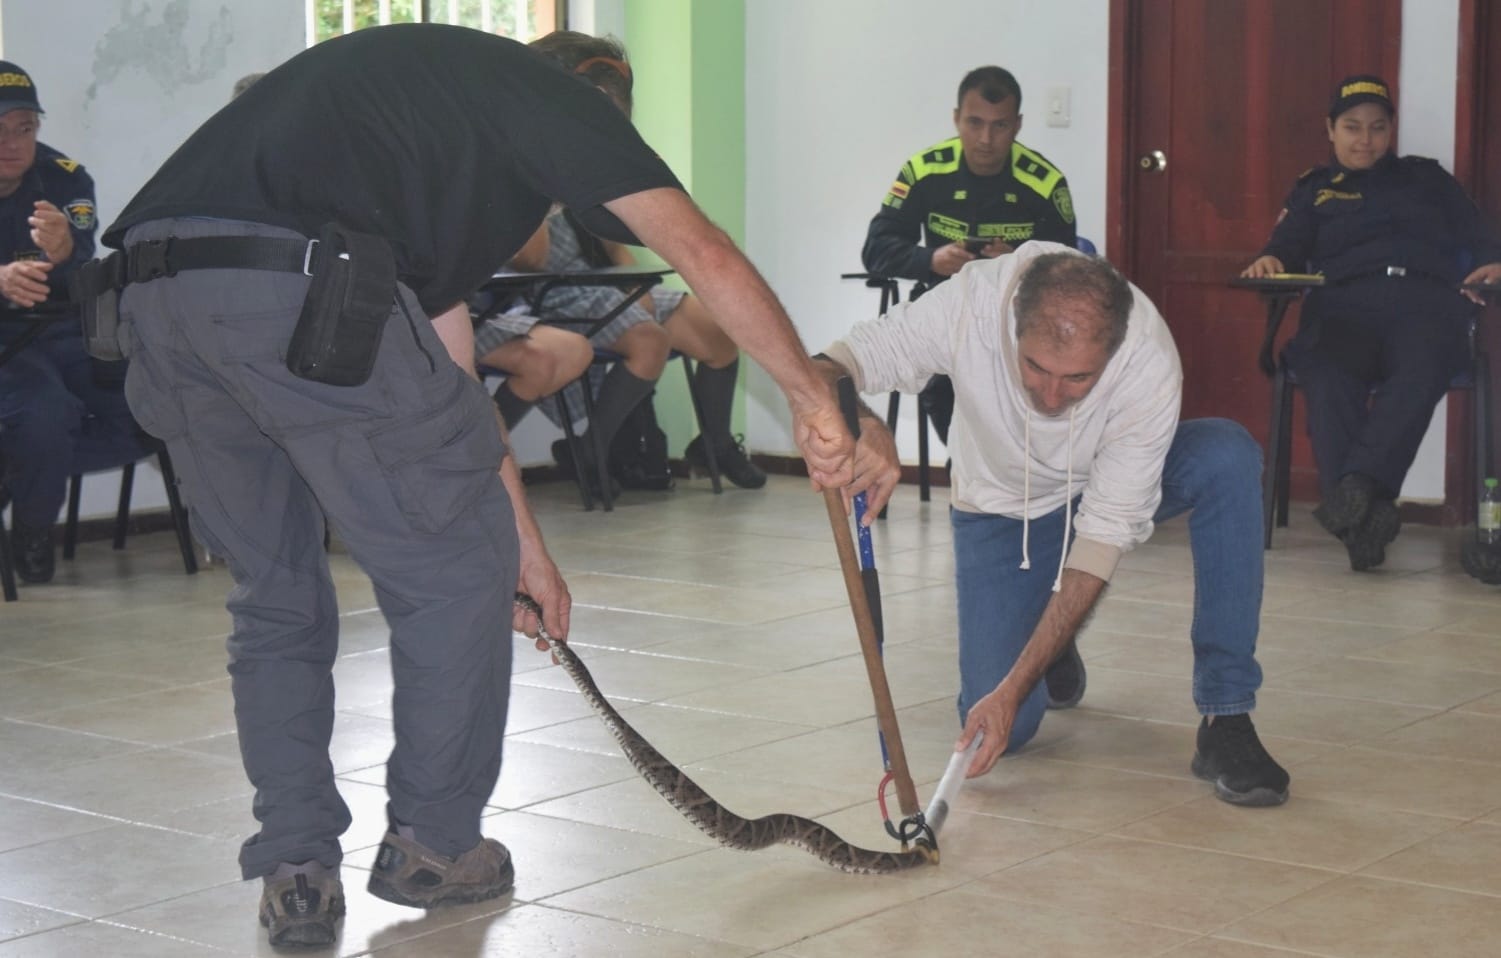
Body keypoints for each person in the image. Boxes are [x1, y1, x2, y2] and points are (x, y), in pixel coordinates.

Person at [95, 24, 851, 949]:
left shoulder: (415, 115)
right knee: (449, 582)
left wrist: (522, 543)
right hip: (299, 283)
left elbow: (448, 382)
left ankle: (295, 871)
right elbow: (704, 252)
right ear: (598, 102)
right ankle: (436, 844)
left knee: (275, 597)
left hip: (154, 297)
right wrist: (812, 397)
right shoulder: (559, 98)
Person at [819, 243, 1289, 809]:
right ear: (1012, 324)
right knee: (1007, 732)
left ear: (1113, 349)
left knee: (1226, 456)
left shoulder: (1146, 356)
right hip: (1002, 509)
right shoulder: (969, 305)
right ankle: (1051, 634)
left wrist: (1014, 686)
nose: (1049, 396)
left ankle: (1227, 714)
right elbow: (827, 366)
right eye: (1035, 367)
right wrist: (863, 422)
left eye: (1078, 378)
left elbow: (1103, 537)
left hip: (1099, 485)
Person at [478, 32, 766, 491]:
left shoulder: (592, 151)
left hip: (604, 283)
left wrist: (635, 288)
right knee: (649, 338)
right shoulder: (517, 151)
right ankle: (592, 450)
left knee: (717, 328)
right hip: (552, 290)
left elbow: (614, 245)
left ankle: (714, 444)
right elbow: (532, 260)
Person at [1242, 75, 1501, 571]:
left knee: (1423, 368)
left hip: (1424, 305)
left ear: (1391, 131)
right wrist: (1271, 259)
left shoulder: (1429, 180)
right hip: (1343, 307)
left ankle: (1355, 496)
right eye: (1352, 127)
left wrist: (1493, 262)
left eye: (1377, 128)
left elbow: (1481, 234)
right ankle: (1365, 514)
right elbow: (1285, 245)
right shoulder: (1316, 189)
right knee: (1327, 374)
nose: (1365, 140)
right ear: (1330, 130)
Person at [861, 66, 1077, 445]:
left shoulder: (1045, 183)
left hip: (1018, 319)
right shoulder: (923, 172)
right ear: (956, 118)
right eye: (974, 123)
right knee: (940, 381)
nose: (985, 139)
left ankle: (1001, 465)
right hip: (946, 313)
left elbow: (1070, 272)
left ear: (1018, 125)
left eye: (1000, 126)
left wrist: (1017, 262)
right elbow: (876, 249)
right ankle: (964, 463)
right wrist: (931, 259)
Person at [0, 60, 144, 584]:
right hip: (5, 342)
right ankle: (33, 530)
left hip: (62, 329)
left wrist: (65, 254)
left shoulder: (64, 178)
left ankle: (19, 473)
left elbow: (84, 268)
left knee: (151, 407)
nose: (12, 143)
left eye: (24, 128)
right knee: (46, 414)